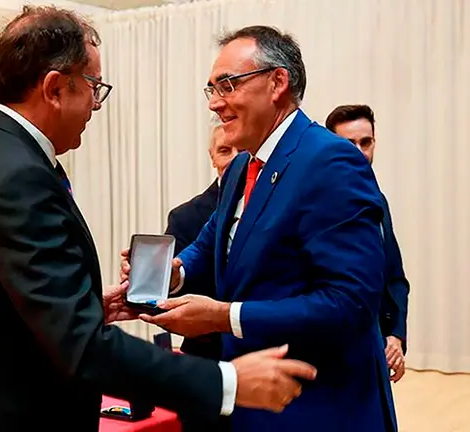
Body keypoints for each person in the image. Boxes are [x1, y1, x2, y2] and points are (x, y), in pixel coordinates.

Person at [0, 8, 316, 432]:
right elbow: (84, 349)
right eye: (93, 87)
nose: (95, 105)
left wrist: (81, 308)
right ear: (54, 88)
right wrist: (227, 381)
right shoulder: (21, 178)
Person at [121, 26, 397, 431]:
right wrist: (175, 272)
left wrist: (223, 317)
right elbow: (215, 238)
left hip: (320, 407)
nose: (215, 103)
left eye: (228, 85)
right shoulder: (241, 166)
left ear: (277, 83)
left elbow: (350, 302)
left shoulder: (331, 161)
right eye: (211, 89)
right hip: (256, 401)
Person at [325, 104, 410, 383]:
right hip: (333, 354)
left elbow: (394, 277)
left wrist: (395, 335)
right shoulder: (314, 204)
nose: (360, 152)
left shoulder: (377, 200)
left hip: (376, 349)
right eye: (348, 144)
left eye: (366, 142)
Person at [164, 115, 237, 432]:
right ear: (211, 157)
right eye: (224, 150)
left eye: (239, 151)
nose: (233, 159)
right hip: (206, 362)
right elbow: (172, 287)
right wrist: (167, 278)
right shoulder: (185, 216)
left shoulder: (275, 200)